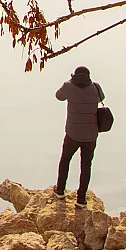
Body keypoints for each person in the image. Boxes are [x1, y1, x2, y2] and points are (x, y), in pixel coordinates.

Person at [55, 65, 104, 207]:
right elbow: (102, 97)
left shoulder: (68, 86)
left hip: (72, 133)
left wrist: (69, 83)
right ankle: (81, 199)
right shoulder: (95, 87)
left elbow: (59, 96)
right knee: (86, 165)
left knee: (65, 160)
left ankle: (60, 190)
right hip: (90, 135)